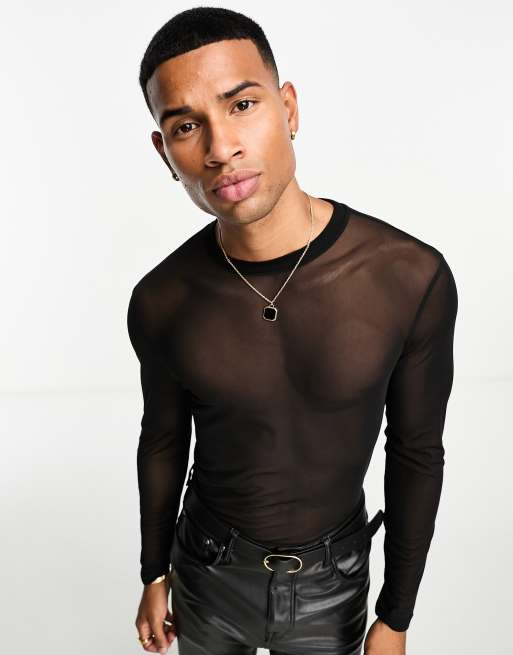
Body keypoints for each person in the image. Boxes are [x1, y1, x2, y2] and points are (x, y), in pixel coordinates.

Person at [128, 7, 458, 655]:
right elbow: (162, 439)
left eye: (242, 105)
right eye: (187, 126)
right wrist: (153, 572)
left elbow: (416, 451)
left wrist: (395, 616)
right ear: (166, 152)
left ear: (288, 108)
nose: (221, 149)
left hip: (331, 582)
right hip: (206, 569)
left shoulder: (407, 277)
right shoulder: (162, 299)